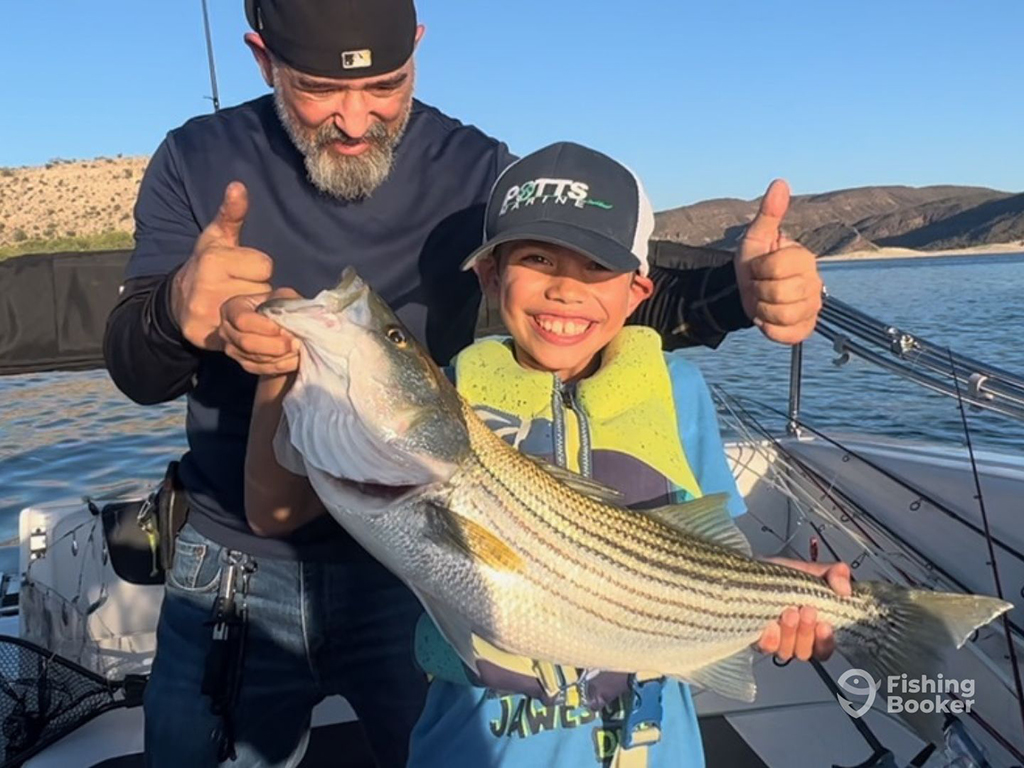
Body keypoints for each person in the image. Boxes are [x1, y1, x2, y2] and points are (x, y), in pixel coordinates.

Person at [102, 1, 825, 766]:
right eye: (319, 89)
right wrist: (177, 311)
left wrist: (742, 296)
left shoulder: (476, 169)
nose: (354, 119)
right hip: (235, 560)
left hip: (416, 573)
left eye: (385, 85)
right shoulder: (193, 159)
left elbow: (576, 295)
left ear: (417, 47)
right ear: (261, 58)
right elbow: (133, 366)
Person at [354, 141, 845, 768]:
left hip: (655, 747)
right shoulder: (448, 400)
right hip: (479, 746)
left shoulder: (679, 391)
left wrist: (773, 590)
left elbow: (709, 550)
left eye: (595, 267)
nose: (565, 289)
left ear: (640, 289)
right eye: (537, 258)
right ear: (490, 275)